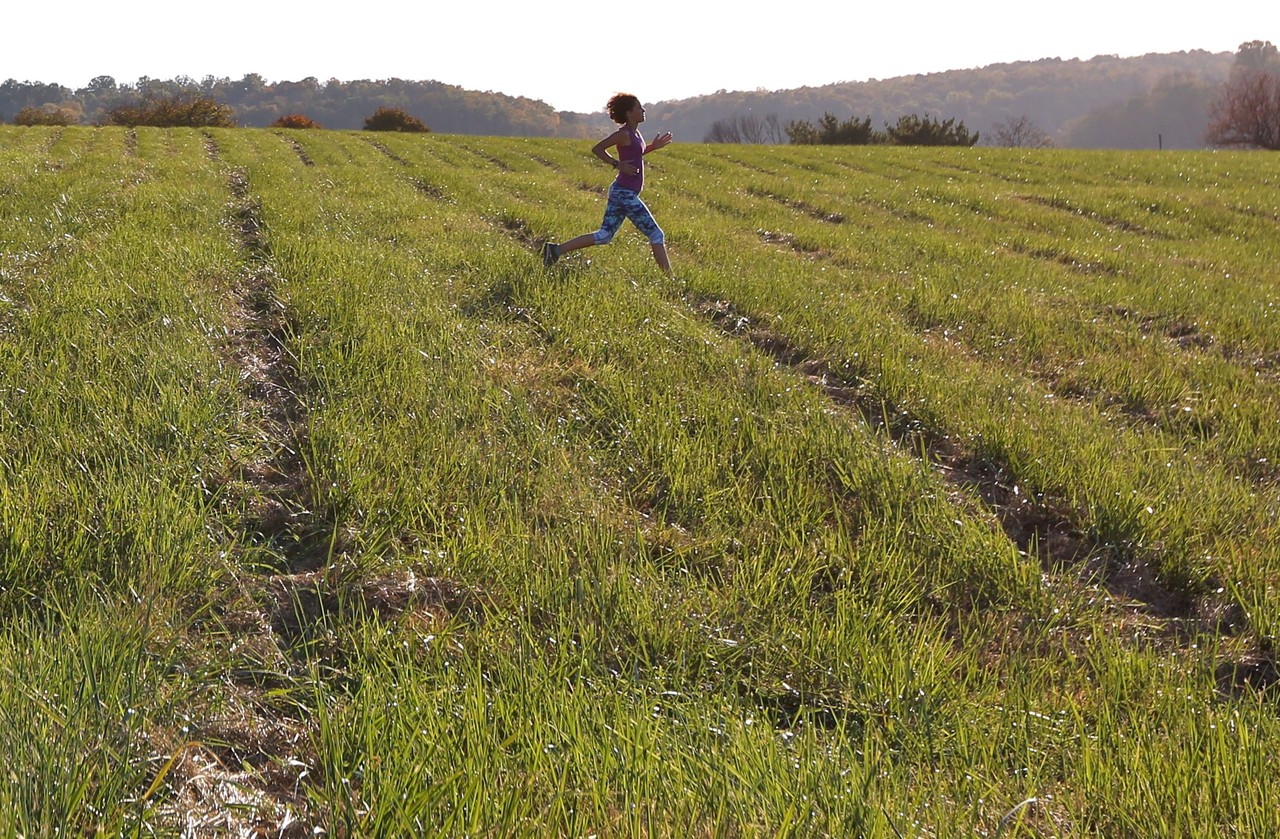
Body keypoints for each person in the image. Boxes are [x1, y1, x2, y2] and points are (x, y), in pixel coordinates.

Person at [542, 93, 674, 276]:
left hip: (622, 192)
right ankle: (670, 279)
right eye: (639, 108)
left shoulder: (636, 134)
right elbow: (597, 148)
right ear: (629, 113)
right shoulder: (623, 134)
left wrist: (653, 147)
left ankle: (555, 250)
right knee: (656, 234)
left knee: (604, 235)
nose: (643, 110)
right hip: (624, 193)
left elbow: (636, 153)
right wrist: (616, 164)